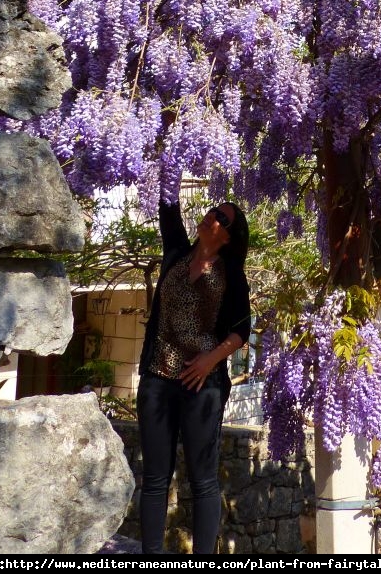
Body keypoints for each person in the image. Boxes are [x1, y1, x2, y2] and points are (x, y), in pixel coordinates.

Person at [136, 199, 251, 555]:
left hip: (202, 386)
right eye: (213, 211)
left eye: (222, 219)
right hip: (157, 378)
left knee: (203, 482)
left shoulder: (231, 274)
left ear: (229, 237)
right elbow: (167, 206)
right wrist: (164, 151)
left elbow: (241, 330)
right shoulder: (176, 253)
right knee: (155, 479)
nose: (212, 217)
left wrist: (209, 361)